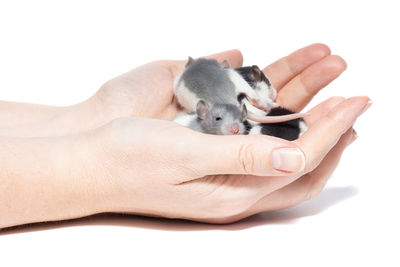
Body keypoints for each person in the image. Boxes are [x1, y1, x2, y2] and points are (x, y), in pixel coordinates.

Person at [0, 44, 370, 229]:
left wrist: (91, 116)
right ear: (205, 110)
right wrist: (105, 173)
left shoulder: (229, 105)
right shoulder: (198, 114)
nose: (236, 128)